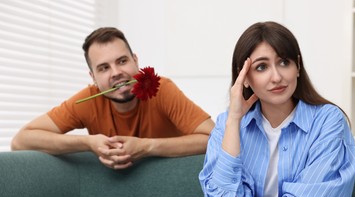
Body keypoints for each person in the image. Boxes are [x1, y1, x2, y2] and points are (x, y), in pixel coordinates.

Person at [183, 21, 355, 197]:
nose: (276, 76)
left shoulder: (328, 122)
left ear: (297, 67)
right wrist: (234, 119)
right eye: (262, 67)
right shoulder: (227, 124)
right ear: (245, 77)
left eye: (284, 62)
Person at [11, 27, 215, 169]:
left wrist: (146, 147)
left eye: (122, 61)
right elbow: (21, 141)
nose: (116, 73)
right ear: (93, 78)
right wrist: (88, 143)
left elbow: (214, 138)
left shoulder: (161, 88)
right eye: (104, 68)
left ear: (136, 61)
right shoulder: (88, 100)